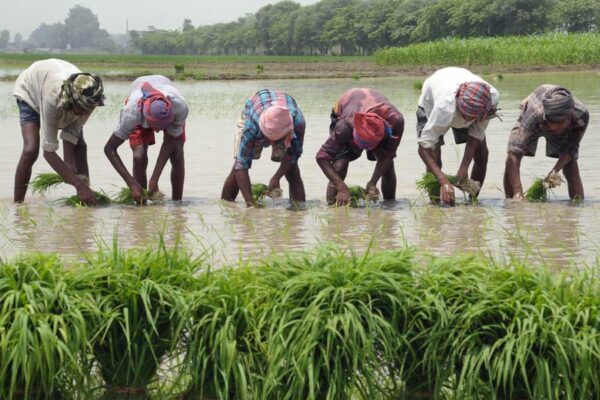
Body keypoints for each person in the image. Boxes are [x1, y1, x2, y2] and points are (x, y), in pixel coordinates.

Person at [13, 58, 105, 205]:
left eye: (87, 110)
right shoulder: (53, 100)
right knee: (30, 150)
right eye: (81, 110)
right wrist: (77, 184)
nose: (84, 114)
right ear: (71, 102)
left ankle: (86, 200)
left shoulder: (90, 97)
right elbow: (48, 152)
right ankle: (18, 205)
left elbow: (72, 133)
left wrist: (68, 162)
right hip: (30, 90)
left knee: (80, 147)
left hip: (53, 82)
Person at [417, 67, 499, 205]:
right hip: (431, 99)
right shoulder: (444, 107)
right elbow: (423, 148)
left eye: (472, 118)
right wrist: (444, 181)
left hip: (467, 99)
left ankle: (472, 201)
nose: (467, 121)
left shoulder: (491, 99)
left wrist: (463, 168)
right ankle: (436, 203)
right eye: (465, 116)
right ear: (458, 105)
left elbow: (475, 135)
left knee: (482, 154)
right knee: (434, 158)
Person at [105, 75, 188, 202]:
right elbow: (109, 148)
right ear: (145, 119)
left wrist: (154, 178)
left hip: (164, 85)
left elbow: (170, 141)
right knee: (139, 156)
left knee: (177, 152)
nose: (159, 131)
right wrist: (131, 183)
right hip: (138, 93)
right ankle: (140, 200)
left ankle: (177, 203)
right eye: (155, 127)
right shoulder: (132, 114)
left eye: (163, 127)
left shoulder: (179, 107)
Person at [316, 88, 404, 206]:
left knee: (387, 165)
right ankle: (332, 207)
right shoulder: (344, 126)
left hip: (376, 108)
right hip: (345, 107)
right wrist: (341, 187)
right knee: (339, 165)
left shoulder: (396, 121)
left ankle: (389, 207)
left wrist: (373, 181)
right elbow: (321, 157)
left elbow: (388, 155)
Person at [221, 89, 306, 207]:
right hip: (255, 109)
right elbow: (242, 165)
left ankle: (299, 209)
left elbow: (293, 156)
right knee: (238, 165)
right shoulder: (251, 127)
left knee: (292, 168)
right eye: (273, 141)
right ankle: (226, 205)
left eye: (278, 141)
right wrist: (251, 206)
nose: (272, 144)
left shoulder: (298, 123)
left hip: (284, 121)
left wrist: (276, 178)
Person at [504, 85, 587, 201]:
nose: (558, 128)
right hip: (531, 117)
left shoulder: (581, 115)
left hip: (563, 122)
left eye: (562, 123)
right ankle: (511, 200)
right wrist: (518, 193)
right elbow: (514, 153)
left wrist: (554, 172)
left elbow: (571, 149)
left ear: (568, 118)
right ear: (547, 118)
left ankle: (577, 205)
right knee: (510, 160)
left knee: (571, 164)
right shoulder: (534, 114)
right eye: (555, 124)